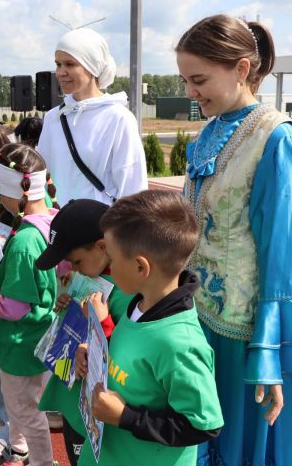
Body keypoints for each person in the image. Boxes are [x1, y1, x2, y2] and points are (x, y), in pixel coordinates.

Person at [176, 14, 292, 465]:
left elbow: (284, 257)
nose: (190, 92)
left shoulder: (278, 138)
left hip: (244, 333)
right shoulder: (209, 131)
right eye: (184, 80)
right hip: (197, 318)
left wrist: (269, 351)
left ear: (242, 69)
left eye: (198, 79)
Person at [75, 190, 224, 466]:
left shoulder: (180, 343)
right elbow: (133, 361)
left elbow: (203, 425)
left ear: (140, 267)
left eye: (112, 258)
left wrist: (125, 417)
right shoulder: (137, 302)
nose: (108, 265)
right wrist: (94, 351)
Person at [34, 198, 136, 465]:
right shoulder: (93, 274)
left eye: (76, 261)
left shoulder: (129, 291)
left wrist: (102, 323)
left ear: (103, 247)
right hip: (75, 403)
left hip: (100, 410)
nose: (74, 270)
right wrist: (66, 305)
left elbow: (128, 357)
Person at [0, 143, 60, 466]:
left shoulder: (25, 242)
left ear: (14, 190)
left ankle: (41, 461)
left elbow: (16, 307)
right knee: (26, 403)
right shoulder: (51, 217)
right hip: (40, 335)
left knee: (23, 409)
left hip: (20, 342)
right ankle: (18, 447)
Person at [37, 28, 147, 206]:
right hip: (58, 226)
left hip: (102, 229)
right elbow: (41, 176)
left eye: (70, 64)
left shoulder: (118, 118)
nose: (61, 72)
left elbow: (132, 187)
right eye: (58, 64)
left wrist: (118, 232)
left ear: (93, 67)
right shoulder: (53, 118)